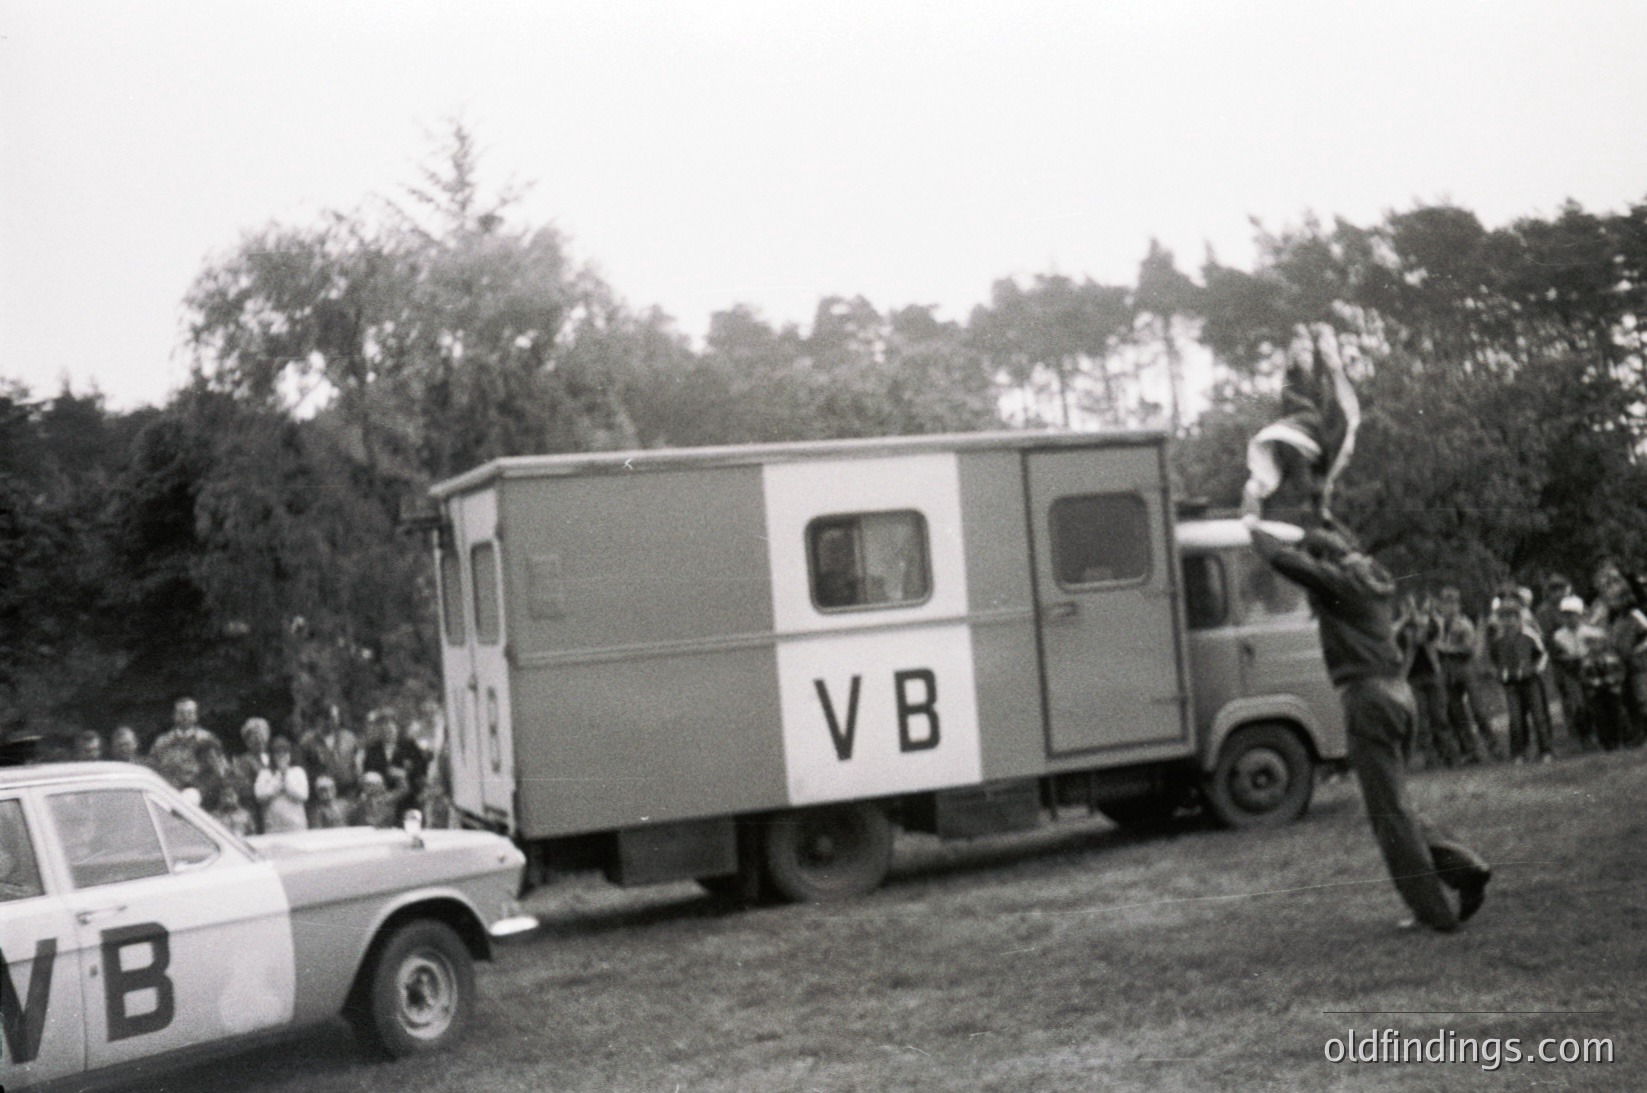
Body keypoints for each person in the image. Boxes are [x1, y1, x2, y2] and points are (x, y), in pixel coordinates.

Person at [1250, 520, 1490, 932]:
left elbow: (1284, 559)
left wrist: (1251, 521)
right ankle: (1463, 867)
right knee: (1395, 803)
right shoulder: (1371, 576)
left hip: (1369, 699)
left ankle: (1433, 912)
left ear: (1325, 560)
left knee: (1389, 815)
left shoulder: (1343, 583)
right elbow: (1330, 547)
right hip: (1398, 694)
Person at [1488, 600, 1554, 762]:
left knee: (1538, 715)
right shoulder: (1498, 640)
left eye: (1511, 617)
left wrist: (1534, 669)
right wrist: (1501, 673)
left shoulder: (1529, 634)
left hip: (1530, 681)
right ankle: (1519, 752)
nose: (1508, 621)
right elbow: (1495, 659)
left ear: (1519, 618)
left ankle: (1545, 750)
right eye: (1503, 617)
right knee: (1516, 718)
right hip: (1511, 683)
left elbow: (1542, 653)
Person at [1433, 589, 1494, 763]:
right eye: (1446, 604)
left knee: (1478, 710)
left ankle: (1492, 745)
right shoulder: (1439, 625)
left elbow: (1469, 648)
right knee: (1456, 712)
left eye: (1453, 603)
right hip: (1448, 671)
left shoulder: (1463, 624)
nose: (1449, 608)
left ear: (1458, 605)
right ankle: (1470, 750)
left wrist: (1445, 648)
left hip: (1465, 668)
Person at [1395, 593, 1454, 768]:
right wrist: (1406, 620)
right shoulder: (1400, 629)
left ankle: (1449, 756)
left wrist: (1427, 615)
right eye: (1407, 607)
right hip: (1412, 677)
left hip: (1432, 674)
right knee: (1422, 721)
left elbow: (1433, 633)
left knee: (1439, 717)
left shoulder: (1427, 624)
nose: (1412, 611)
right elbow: (1395, 638)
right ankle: (1432, 759)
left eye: (1412, 607)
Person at [149, 697, 228, 803]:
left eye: (190, 713)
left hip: (201, 799)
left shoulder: (208, 741)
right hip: (168, 796)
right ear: (174, 716)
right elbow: (152, 769)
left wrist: (200, 791)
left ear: (196, 716)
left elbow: (220, 771)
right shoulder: (162, 742)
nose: (185, 717)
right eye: (181, 713)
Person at [361, 708, 430, 822]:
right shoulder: (372, 751)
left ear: (396, 727)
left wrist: (405, 773)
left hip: (409, 799)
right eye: (383, 726)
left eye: (390, 725)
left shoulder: (409, 747)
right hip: (383, 801)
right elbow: (367, 773)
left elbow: (421, 770)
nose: (387, 729)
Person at [1547, 595, 1595, 751]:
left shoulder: (1590, 632)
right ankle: (1584, 737)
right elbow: (1557, 655)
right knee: (1578, 705)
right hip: (1571, 672)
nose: (1569, 619)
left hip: (1589, 669)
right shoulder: (1558, 636)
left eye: (1573, 615)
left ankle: (1599, 733)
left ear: (1580, 615)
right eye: (1566, 616)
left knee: (1593, 702)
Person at [299, 704, 362, 802]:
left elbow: (358, 761)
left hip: (349, 792)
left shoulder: (349, 738)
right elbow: (304, 768)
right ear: (320, 719)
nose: (334, 721)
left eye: (336, 717)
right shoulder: (308, 741)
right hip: (322, 794)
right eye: (329, 718)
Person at [255, 735, 310, 833]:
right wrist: (278, 779)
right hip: (273, 825)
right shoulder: (264, 773)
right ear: (272, 756)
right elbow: (260, 795)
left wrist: (286, 781)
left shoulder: (298, 771)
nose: (282, 756)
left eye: (285, 753)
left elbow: (303, 795)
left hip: (296, 824)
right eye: (278, 753)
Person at [230, 718, 274, 834]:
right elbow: (244, 789)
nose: (259, 739)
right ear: (247, 740)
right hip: (255, 812)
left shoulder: (273, 758)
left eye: (262, 734)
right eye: (254, 736)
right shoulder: (243, 761)